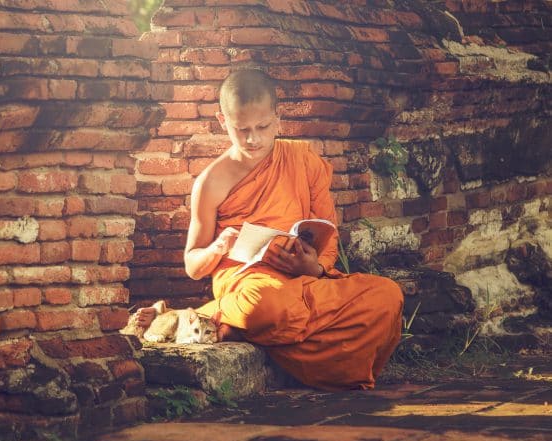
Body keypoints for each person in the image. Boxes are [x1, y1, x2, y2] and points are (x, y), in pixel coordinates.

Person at [136, 68, 404, 391]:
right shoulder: (211, 181)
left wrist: (314, 267)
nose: (254, 139)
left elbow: (327, 234)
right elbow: (193, 265)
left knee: (388, 296)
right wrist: (218, 247)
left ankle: (222, 324)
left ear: (278, 118)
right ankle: (296, 346)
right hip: (252, 286)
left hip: (304, 281)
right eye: (242, 129)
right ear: (223, 121)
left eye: (263, 127)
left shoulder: (303, 161)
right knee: (265, 307)